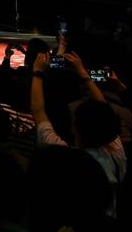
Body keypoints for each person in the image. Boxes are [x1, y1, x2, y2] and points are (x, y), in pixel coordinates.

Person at [31, 51, 126, 209]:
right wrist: (82, 72)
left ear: (74, 127)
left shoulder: (62, 156)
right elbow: (104, 112)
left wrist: (37, 72)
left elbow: (38, 111)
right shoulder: (116, 154)